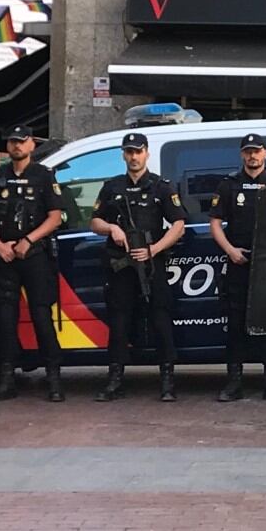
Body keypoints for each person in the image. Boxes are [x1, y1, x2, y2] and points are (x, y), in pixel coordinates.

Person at [89, 132, 188, 402]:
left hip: (151, 265)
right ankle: (115, 379)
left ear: (146, 153)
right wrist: (111, 228)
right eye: (129, 152)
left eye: (138, 151)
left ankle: (167, 380)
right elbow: (94, 221)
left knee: (160, 319)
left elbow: (179, 224)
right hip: (121, 267)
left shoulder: (160, 186)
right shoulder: (112, 187)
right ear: (123, 155)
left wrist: (154, 249)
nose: (134, 156)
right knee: (119, 320)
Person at [0, 125, 67, 402]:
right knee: (6, 319)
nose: (16, 146)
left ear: (31, 144)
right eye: (13, 141)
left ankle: (53, 379)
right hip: (5, 256)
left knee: (42, 316)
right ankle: (7, 380)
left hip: (35, 255)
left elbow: (55, 216)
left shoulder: (43, 175)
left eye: (21, 141)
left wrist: (29, 240)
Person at [209, 133, 266, 402]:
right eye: (248, 151)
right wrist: (229, 250)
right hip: (238, 263)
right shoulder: (229, 185)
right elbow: (216, 223)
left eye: (257, 151)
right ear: (242, 154)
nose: (252, 156)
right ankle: (234, 382)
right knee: (235, 325)